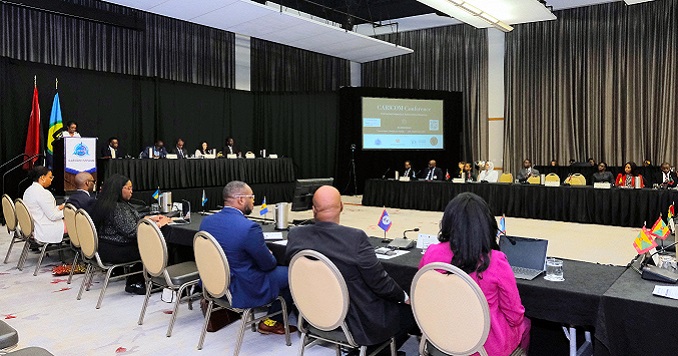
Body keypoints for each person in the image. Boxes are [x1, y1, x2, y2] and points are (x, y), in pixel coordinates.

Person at [286, 186, 416, 352]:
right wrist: (403, 296)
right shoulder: (355, 238)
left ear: (313, 209)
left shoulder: (296, 235)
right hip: (356, 322)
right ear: (341, 206)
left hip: (311, 316)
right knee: (410, 311)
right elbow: (379, 282)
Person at [419, 192, 530, 355]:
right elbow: (515, 316)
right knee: (525, 323)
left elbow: (425, 298)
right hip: (484, 348)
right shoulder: (496, 260)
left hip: (441, 340)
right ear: (486, 225)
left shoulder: (431, 253)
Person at [199, 181, 295, 335]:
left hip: (215, 283)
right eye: (252, 197)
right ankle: (273, 321)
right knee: (292, 272)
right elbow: (268, 265)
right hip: (243, 286)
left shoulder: (207, 222)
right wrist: (269, 255)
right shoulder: (249, 227)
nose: (253, 201)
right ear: (241, 200)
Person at [91, 174, 171, 293]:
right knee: (160, 245)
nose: (131, 191)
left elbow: (127, 221)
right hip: (118, 250)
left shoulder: (106, 203)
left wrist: (148, 218)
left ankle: (138, 279)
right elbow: (132, 232)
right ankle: (141, 281)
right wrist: (159, 224)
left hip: (107, 246)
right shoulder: (117, 207)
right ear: (118, 189)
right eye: (128, 188)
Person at [22, 166, 65, 244]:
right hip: (45, 229)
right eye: (50, 177)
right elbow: (53, 216)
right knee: (76, 223)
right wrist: (68, 212)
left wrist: (60, 207)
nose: (51, 180)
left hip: (35, 226)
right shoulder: (43, 193)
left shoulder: (28, 191)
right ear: (42, 178)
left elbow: (43, 209)